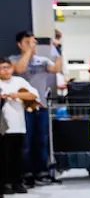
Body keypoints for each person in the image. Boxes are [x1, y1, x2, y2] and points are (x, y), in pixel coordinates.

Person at [11, 31, 61, 187]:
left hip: (41, 106)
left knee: (41, 141)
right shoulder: (13, 60)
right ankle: (26, 174)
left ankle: (42, 172)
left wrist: (57, 50)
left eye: (33, 42)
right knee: (25, 143)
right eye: (27, 42)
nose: (32, 45)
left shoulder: (42, 61)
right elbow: (20, 69)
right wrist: (28, 52)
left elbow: (56, 69)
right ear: (19, 44)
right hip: (22, 107)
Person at [0, 58, 39, 195]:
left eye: (7, 67)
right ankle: (4, 183)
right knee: (4, 156)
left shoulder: (19, 81)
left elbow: (33, 94)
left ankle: (17, 181)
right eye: (2, 68)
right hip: (3, 126)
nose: (5, 70)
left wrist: (16, 94)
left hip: (18, 124)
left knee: (17, 155)